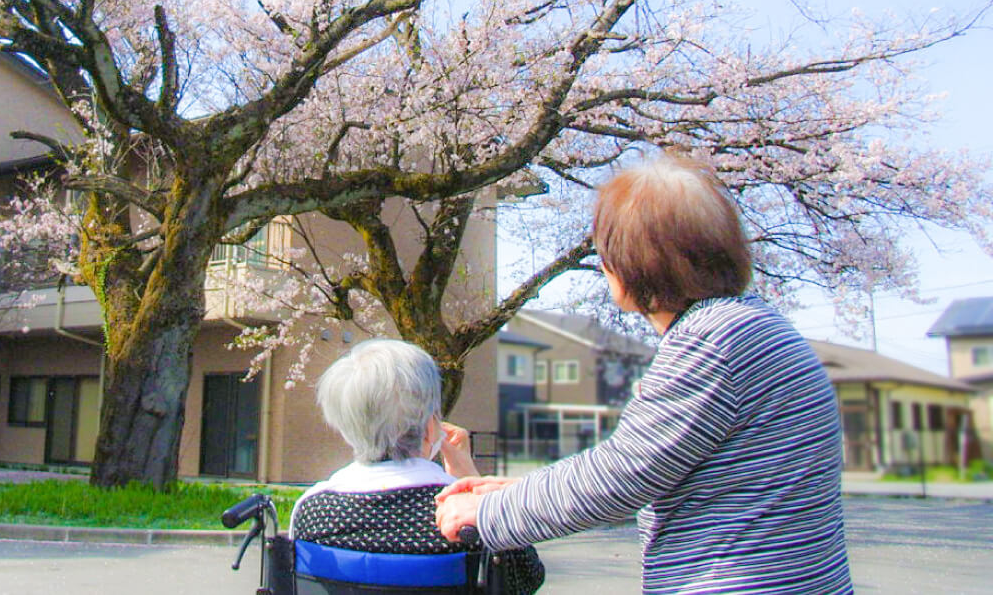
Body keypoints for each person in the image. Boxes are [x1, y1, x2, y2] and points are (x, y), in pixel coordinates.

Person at [435, 154, 852, 593]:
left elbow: (625, 472)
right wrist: (515, 491)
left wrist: (490, 515)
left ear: (632, 263)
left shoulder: (709, 342)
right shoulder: (754, 326)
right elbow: (662, 469)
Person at [293, 338, 544, 594]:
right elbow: (527, 578)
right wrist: (470, 479)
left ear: (345, 428)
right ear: (431, 428)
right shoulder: (467, 513)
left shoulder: (312, 510)